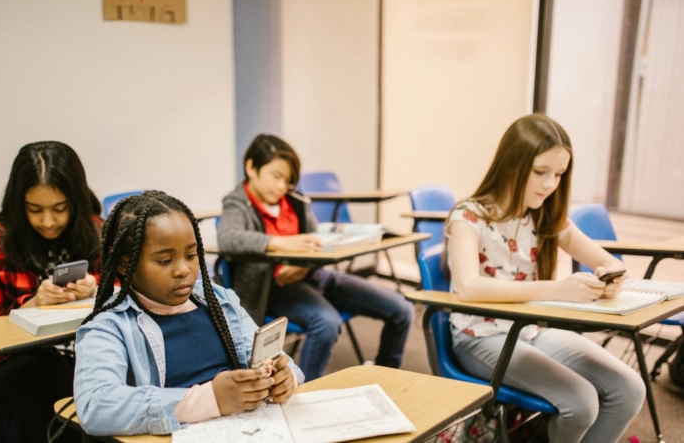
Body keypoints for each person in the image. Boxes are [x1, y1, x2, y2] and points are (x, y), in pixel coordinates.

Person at [445, 114, 645, 443]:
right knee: (580, 403)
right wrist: (559, 289)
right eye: (541, 172)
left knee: (629, 388)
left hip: (531, 331)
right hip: (478, 335)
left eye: (558, 175)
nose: (550, 184)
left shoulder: (547, 216)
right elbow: (468, 287)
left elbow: (607, 261)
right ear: (511, 164)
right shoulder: (468, 216)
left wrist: (610, 277)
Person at [73, 191, 303, 436]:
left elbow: (284, 365)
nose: (183, 270)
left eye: (191, 255)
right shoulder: (109, 327)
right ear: (123, 263)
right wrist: (209, 400)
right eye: (164, 261)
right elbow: (96, 406)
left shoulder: (220, 301)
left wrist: (285, 378)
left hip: (251, 429)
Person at [217, 134, 415, 381]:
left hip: (313, 276)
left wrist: (305, 265)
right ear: (251, 167)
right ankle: (304, 390)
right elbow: (228, 238)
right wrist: (280, 243)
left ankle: (386, 374)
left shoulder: (294, 202)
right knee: (326, 323)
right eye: (276, 176)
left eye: (288, 180)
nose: (281, 186)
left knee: (402, 309)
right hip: (274, 287)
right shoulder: (237, 203)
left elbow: (317, 240)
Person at [0, 141, 102, 443]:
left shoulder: (96, 231)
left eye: (59, 208)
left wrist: (98, 286)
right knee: (43, 375)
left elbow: (134, 295)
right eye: (34, 210)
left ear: (76, 200)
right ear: (18, 203)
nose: (48, 221)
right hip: (26, 361)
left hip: (92, 348)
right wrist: (33, 304)